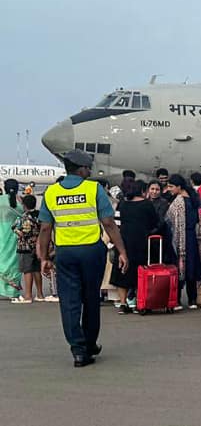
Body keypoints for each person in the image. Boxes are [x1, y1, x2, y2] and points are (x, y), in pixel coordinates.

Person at [36, 150, 128, 367]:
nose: (90, 171)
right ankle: (89, 343)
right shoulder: (93, 189)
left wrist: (43, 257)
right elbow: (108, 223)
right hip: (91, 251)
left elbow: (45, 228)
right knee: (90, 299)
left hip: (65, 253)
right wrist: (122, 251)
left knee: (69, 303)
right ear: (81, 168)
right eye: (88, 167)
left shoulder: (51, 192)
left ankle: (78, 349)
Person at [112, 180, 160, 314]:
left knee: (122, 272)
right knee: (141, 273)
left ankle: (123, 303)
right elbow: (154, 222)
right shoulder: (147, 205)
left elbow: (116, 223)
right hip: (141, 242)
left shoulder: (122, 204)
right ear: (143, 191)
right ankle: (141, 302)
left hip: (123, 242)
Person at [165, 174, 201, 310]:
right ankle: (192, 299)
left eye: (171, 186)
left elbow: (168, 220)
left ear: (179, 187)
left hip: (181, 236)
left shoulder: (178, 201)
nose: (169, 189)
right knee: (191, 266)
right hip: (192, 236)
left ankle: (178, 300)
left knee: (179, 266)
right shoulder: (193, 199)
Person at [13, 194, 43, 303]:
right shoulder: (39, 215)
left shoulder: (24, 217)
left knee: (27, 270)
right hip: (38, 246)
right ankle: (40, 294)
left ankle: (28, 295)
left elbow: (20, 231)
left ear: (24, 205)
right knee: (36, 269)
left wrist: (16, 230)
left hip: (25, 247)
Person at [0, 179, 23, 299]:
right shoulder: (19, 202)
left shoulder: (1, 200)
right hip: (14, 235)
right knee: (13, 262)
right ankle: (12, 291)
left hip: (1, 234)